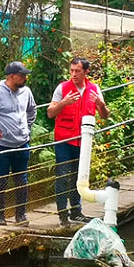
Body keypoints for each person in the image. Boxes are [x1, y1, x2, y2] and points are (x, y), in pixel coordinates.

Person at [47, 57, 110, 227]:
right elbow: (50, 113)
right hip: (63, 139)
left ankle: (76, 211)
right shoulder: (62, 88)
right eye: (72, 71)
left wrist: (101, 105)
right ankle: (62, 214)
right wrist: (64, 102)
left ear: (86, 71)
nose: (74, 74)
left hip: (83, 141)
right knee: (63, 175)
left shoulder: (94, 89)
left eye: (78, 71)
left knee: (79, 176)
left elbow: (104, 115)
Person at [0, 61, 37, 226]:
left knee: (21, 180)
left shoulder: (26, 92)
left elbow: (32, 110)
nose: (25, 78)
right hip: (2, 144)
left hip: (22, 143)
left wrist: (27, 128)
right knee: (0, 180)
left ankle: (21, 215)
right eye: (21, 75)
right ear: (11, 76)